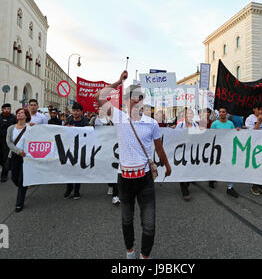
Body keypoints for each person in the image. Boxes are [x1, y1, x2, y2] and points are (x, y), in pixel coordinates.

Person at [94, 71, 172, 260]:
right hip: (125, 180)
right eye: (132, 97)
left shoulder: (151, 123)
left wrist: (168, 166)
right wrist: (119, 82)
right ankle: (130, 252)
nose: (135, 101)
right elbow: (99, 97)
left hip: (145, 179)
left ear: (142, 100)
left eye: (139, 97)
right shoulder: (118, 117)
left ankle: (144, 257)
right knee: (126, 220)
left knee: (149, 223)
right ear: (127, 99)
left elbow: (159, 148)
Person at [210, 107, 240, 198]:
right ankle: (212, 178)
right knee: (216, 165)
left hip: (227, 148)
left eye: (223, 112)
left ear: (226, 113)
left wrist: (237, 131)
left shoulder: (230, 124)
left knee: (229, 167)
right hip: (217, 149)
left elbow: (233, 134)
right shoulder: (215, 124)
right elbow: (210, 136)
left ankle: (230, 187)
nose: (221, 113)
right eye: (220, 112)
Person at [6, 108, 31, 212]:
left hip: (26, 157)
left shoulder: (30, 128)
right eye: (18, 113)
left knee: (21, 180)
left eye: (21, 113)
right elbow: (9, 142)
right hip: (15, 155)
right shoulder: (11, 128)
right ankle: (23, 188)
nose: (19, 114)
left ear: (26, 116)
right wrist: (18, 151)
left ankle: (19, 203)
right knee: (14, 178)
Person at [63, 102, 89, 200]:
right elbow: (62, 130)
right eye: (74, 110)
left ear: (81, 112)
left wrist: (76, 129)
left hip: (81, 148)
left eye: (77, 111)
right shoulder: (69, 119)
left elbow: (88, 132)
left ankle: (76, 191)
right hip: (69, 148)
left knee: (78, 170)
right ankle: (69, 188)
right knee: (69, 169)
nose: (75, 113)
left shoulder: (85, 120)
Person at [245, 102, 262, 196]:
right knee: (255, 165)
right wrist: (259, 122)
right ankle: (254, 185)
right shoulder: (249, 119)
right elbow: (252, 133)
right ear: (254, 109)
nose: (261, 111)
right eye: (259, 109)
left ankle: (261, 184)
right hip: (254, 145)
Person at [174, 108, 198, 201]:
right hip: (182, 150)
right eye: (188, 114)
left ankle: (186, 184)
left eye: (191, 114)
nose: (189, 115)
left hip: (192, 151)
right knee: (183, 170)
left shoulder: (196, 125)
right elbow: (174, 135)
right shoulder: (180, 125)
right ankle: (185, 191)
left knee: (190, 170)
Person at [0, 103, 17, 183]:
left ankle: (4, 175)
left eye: (9, 109)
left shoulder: (13, 118)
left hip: (8, 141)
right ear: (2, 109)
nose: (7, 110)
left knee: (5, 158)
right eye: (5, 109)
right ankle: (7, 167)